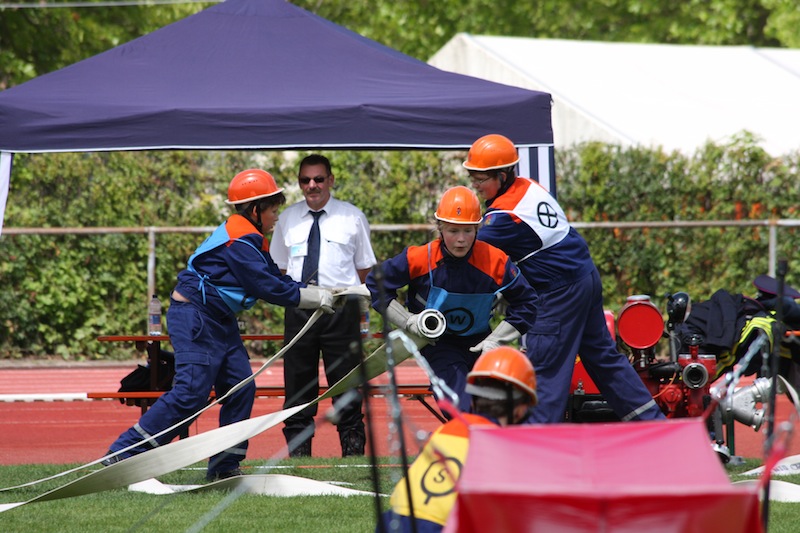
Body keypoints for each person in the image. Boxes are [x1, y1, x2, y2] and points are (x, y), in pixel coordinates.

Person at [103, 169, 334, 481]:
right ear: (255, 209)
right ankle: (124, 453)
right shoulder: (239, 239)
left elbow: (275, 278)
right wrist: (313, 298)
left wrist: (320, 292)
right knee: (190, 393)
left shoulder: (250, 237)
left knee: (240, 389)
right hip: (196, 317)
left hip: (219, 320)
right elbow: (266, 287)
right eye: (273, 210)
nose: (276, 217)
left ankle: (225, 467)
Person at [464, 133, 665, 423]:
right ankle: (654, 425)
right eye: (472, 177)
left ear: (502, 175)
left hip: (558, 293)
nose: (475, 184)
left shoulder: (503, 217)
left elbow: (466, 251)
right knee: (605, 360)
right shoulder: (529, 186)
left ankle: (538, 442)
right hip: (585, 276)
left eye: (480, 178)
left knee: (545, 369)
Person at [366, 186, 538, 413]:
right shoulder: (420, 258)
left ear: (477, 228)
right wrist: (408, 321)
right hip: (437, 343)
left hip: (481, 343)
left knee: (499, 406)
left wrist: (496, 340)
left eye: (468, 231)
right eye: (453, 231)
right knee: (459, 406)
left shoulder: (494, 261)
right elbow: (376, 283)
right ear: (439, 228)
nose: (461, 240)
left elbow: (527, 302)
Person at [270, 154, 377, 457]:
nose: (312, 185)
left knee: (346, 383)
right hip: (300, 308)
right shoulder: (287, 219)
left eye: (318, 179)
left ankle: (353, 454)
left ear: (330, 180)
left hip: (341, 308)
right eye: (305, 180)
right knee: (298, 385)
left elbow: (365, 269)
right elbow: (280, 268)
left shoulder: (352, 217)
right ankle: (299, 454)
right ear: (299, 183)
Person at [377, 346, 538, 532]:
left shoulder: (443, 432)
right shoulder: (501, 447)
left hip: (391, 521)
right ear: (521, 409)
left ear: (473, 399)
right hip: (440, 526)